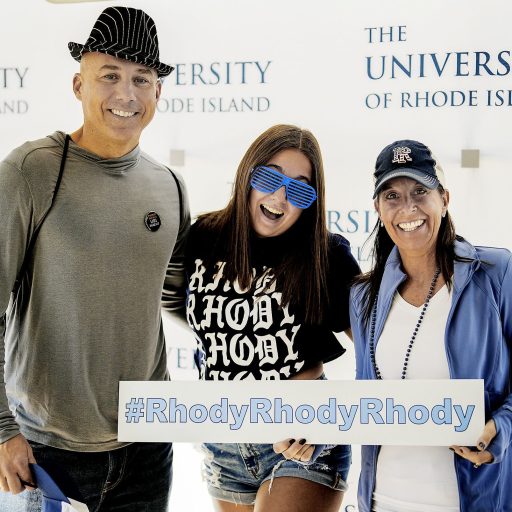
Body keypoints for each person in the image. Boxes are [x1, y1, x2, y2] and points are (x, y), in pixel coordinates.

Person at [0, 6, 190, 511]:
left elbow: (189, 303)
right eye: (109, 75)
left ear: (158, 92)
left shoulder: (170, 188)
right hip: (45, 452)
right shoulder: (30, 171)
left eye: (141, 78)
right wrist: (2, 430)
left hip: (149, 447)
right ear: (78, 84)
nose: (126, 94)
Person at [185, 124, 360, 511]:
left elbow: (375, 348)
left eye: (299, 189)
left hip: (299, 437)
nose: (279, 197)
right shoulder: (203, 235)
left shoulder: (325, 255)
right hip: (224, 443)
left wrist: (323, 418)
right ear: (248, 174)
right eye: (269, 178)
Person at [350, 139, 512, 512]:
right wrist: (312, 438)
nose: (408, 207)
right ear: (377, 208)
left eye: (420, 191)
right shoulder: (363, 296)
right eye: (392, 195)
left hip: (470, 501)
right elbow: (364, 406)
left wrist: (499, 432)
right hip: (382, 501)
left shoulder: (495, 274)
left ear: (444, 198)